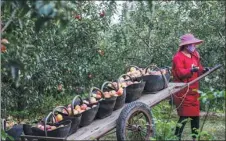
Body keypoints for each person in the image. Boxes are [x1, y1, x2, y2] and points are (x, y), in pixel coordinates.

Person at [172, 33, 209, 141]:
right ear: (186, 45)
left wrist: (204, 70)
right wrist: (190, 70)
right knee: (184, 116)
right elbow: (179, 73)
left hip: (194, 91)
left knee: (195, 116)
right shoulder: (178, 57)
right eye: (192, 44)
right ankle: (176, 138)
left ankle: (195, 138)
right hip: (183, 91)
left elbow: (199, 69)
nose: (194, 46)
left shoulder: (195, 55)